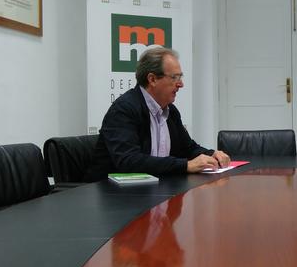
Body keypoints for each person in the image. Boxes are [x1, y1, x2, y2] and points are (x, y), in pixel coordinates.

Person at [85, 47, 230, 179]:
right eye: (175, 78)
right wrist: (185, 165)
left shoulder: (170, 111)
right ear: (152, 79)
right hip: (114, 197)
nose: (181, 84)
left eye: (180, 77)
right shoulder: (124, 110)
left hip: (154, 189)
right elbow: (129, 161)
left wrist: (211, 154)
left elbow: (188, 148)